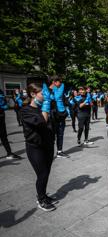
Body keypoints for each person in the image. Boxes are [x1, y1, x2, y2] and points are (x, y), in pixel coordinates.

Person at [21, 83, 58, 211]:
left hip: (47, 145)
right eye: (42, 93)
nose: (45, 95)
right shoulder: (26, 110)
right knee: (42, 174)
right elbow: (42, 122)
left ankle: (43, 195)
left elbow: (60, 117)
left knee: (46, 173)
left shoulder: (43, 107)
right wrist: (47, 105)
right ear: (32, 94)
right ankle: (41, 199)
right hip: (35, 147)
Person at [48, 76, 70, 159]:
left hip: (60, 116)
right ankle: (49, 153)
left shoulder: (61, 91)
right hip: (51, 117)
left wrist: (66, 108)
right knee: (51, 136)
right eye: (59, 82)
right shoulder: (46, 91)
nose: (60, 84)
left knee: (60, 134)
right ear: (54, 82)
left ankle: (59, 151)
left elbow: (65, 102)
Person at [0, 89, 22, 159]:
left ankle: (9, 153)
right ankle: (9, 153)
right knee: (3, 136)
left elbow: (5, 103)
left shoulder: (0, 92)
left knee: (4, 136)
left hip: (1, 116)